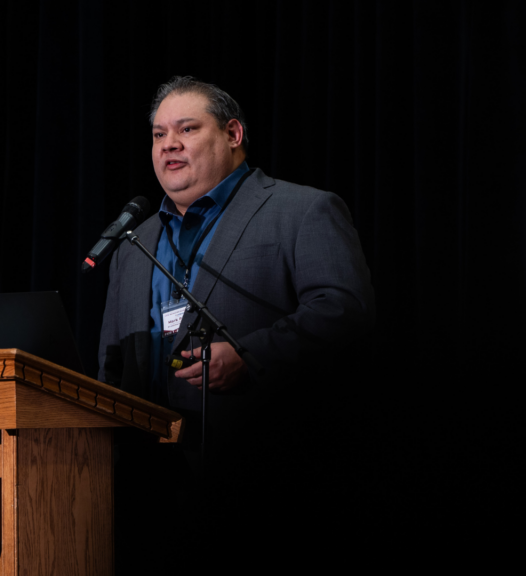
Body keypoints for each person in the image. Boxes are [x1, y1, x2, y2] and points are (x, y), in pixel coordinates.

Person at [99, 77, 376, 560]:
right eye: (159, 134)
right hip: (150, 494)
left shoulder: (301, 211)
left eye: (186, 128)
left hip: (262, 486)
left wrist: (251, 355)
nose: (170, 145)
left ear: (233, 134)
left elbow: (344, 312)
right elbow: (112, 363)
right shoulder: (134, 243)